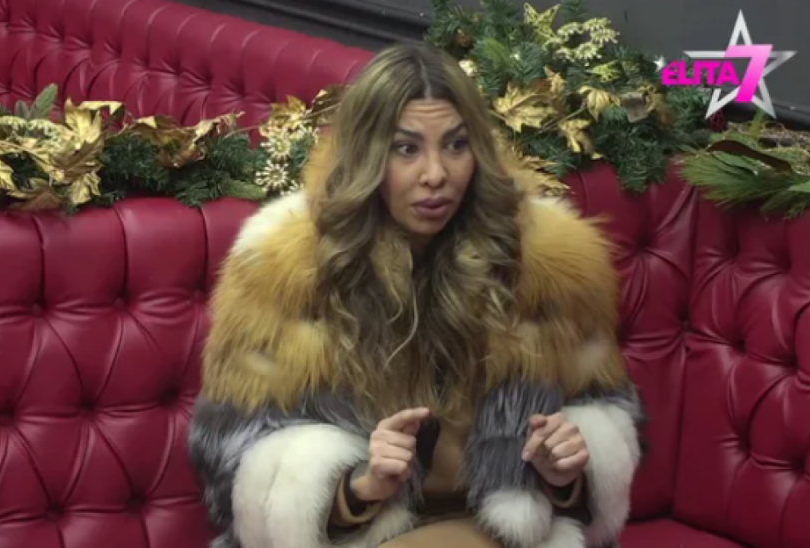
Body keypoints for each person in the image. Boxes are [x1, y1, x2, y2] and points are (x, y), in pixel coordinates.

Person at [188, 43, 644, 548]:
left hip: (511, 529)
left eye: (456, 145)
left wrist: (566, 474)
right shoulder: (283, 271)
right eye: (406, 149)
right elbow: (230, 458)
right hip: (364, 534)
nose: (436, 174)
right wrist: (357, 488)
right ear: (367, 156)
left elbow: (606, 412)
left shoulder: (550, 263)